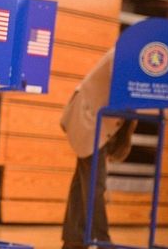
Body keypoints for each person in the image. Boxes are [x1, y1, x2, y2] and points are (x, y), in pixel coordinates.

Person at [60, 48, 137, 249]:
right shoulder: (125, 54)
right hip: (88, 119)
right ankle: (102, 240)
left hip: (95, 121)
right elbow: (125, 91)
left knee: (83, 183)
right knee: (95, 183)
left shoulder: (133, 54)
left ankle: (73, 239)